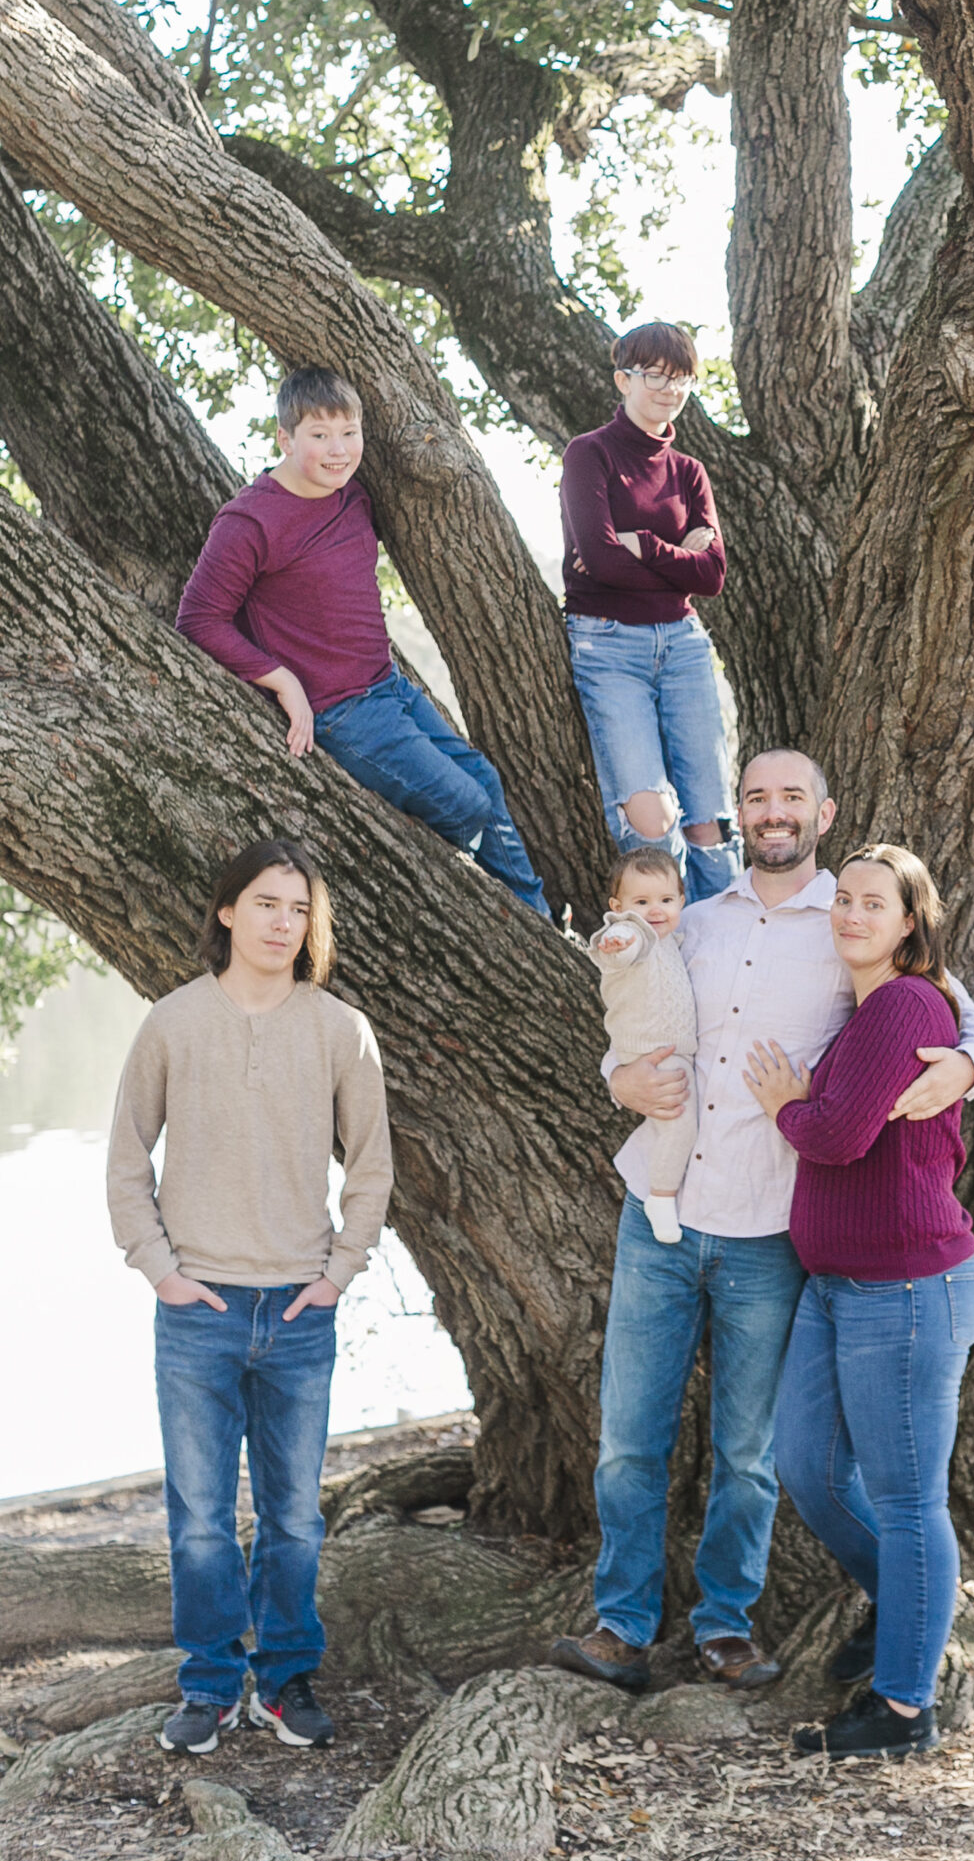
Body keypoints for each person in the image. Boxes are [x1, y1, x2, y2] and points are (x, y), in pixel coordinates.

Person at [548, 750, 974, 1697]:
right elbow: (633, 1018)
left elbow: (967, 1018)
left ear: (823, 812)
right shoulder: (693, 921)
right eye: (756, 797)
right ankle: (623, 1623)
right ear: (737, 814)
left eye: (792, 796)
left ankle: (725, 1623)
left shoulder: (854, 919)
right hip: (663, 1217)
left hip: (771, 1231)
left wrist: (968, 1069)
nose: (773, 812)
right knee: (630, 1437)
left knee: (747, 1452)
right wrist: (614, 1080)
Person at [105, 839, 391, 1755]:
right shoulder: (173, 1022)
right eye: (266, 904)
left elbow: (373, 1167)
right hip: (198, 1309)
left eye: (299, 909)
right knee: (196, 1518)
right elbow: (123, 1161)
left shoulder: (339, 1028)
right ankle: (210, 1683)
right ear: (228, 911)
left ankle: (285, 1678)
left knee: (295, 1517)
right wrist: (158, 1266)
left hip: (299, 1310)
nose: (283, 923)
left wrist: (340, 1272)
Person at [745, 844, 974, 1763]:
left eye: (871, 903)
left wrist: (786, 1106)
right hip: (837, 1285)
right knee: (807, 1468)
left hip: (910, 1288)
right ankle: (910, 1605)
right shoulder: (862, 1012)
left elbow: (839, 1137)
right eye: (840, 900)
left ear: (910, 922)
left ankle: (900, 1709)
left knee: (905, 1496)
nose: (850, 914)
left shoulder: (904, 1005)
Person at [177, 366, 552, 920]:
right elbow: (198, 619)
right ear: (284, 438)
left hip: (388, 685)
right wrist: (283, 682)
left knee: (484, 782)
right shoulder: (250, 521)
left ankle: (538, 921)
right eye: (319, 435)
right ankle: (492, 919)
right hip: (341, 713)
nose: (338, 449)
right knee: (464, 804)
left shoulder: (352, 495)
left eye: (349, 432)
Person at [560, 322, 738, 903]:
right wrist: (670, 556)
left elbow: (712, 576)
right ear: (623, 379)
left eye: (681, 377)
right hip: (608, 646)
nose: (669, 388)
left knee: (708, 820)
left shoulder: (688, 472)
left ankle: (730, 955)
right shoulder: (590, 455)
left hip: (684, 647)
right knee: (651, 818)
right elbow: (600, 562)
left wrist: (641, 544)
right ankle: (668, 950)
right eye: (654, 375)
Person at [592, 845, 698, 1246]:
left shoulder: (671, 939)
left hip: (670, 1051)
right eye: (642, 901)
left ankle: (663, 1187)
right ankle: (661, 1196)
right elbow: (621, 943)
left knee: (674, 1124)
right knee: (681, 1125)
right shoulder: (634, 935)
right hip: (650, 1053)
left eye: (666, 900)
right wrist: (618, 939)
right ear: (619, 906)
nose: (655, 910)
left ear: (682, 901)